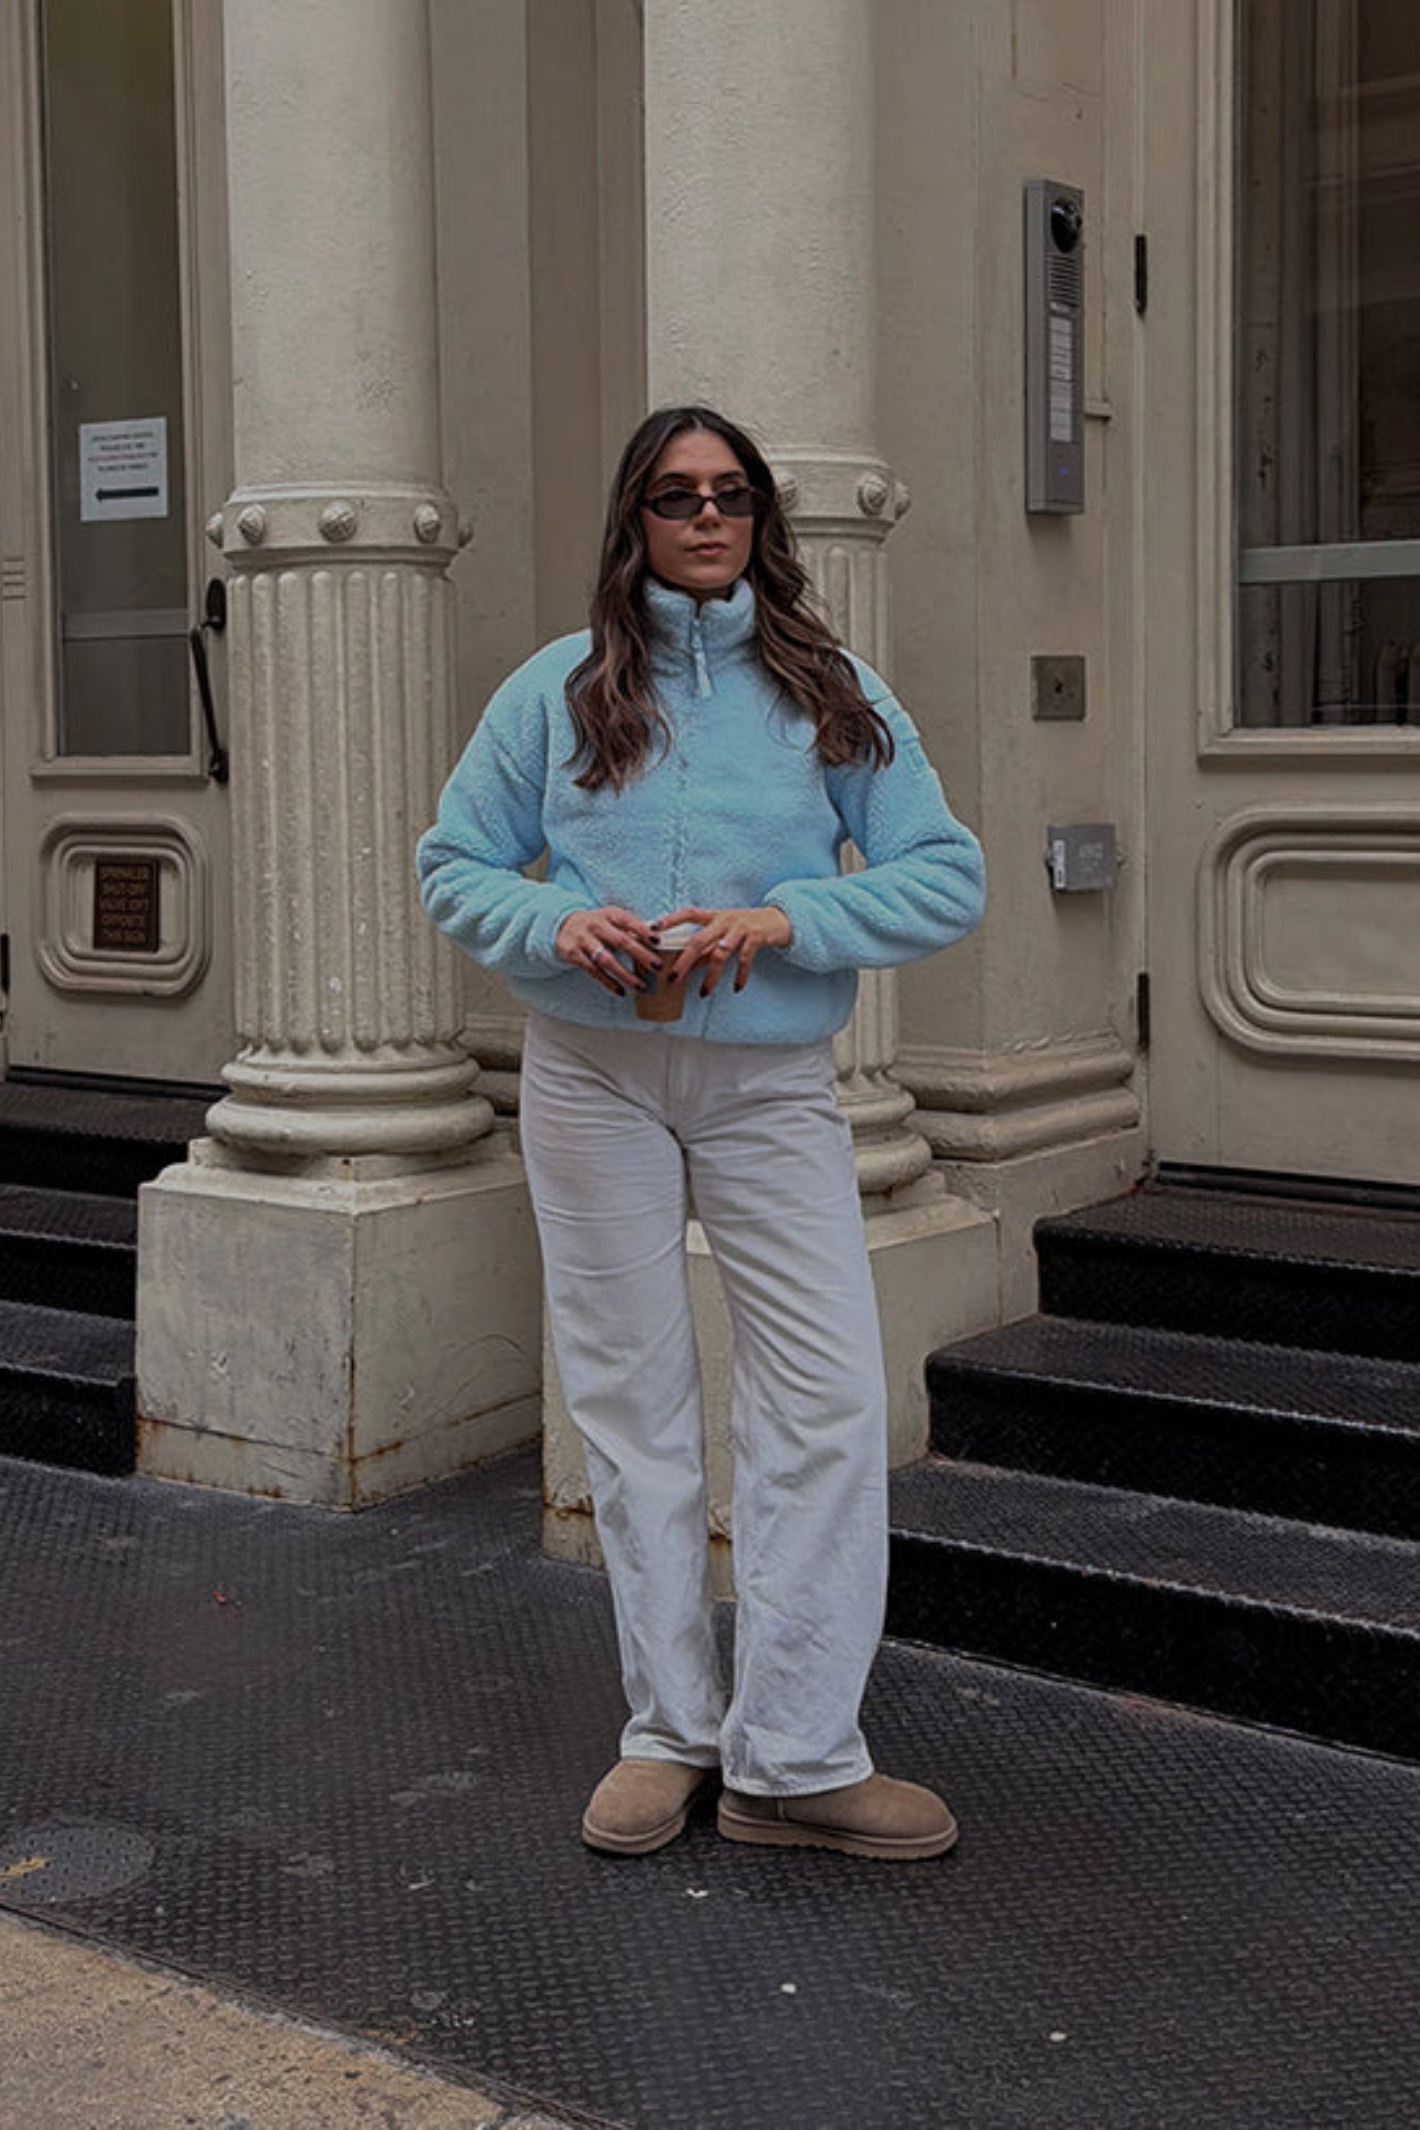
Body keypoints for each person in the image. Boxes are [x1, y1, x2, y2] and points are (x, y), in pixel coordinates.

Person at [417, 405, 984, 1861]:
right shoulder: (556, 689)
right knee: (630, 1402)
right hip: (588, 1075)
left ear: (762, 519)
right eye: (677, 496)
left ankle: (794, 1756)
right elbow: (454, 864)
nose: (708, 516)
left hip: (768, 1081)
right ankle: (669, 1729)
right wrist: (555, 922)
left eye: (732, 494)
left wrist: (786, 918)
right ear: (636, 520)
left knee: (827, 1396)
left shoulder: (828, 690)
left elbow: (944, 875)